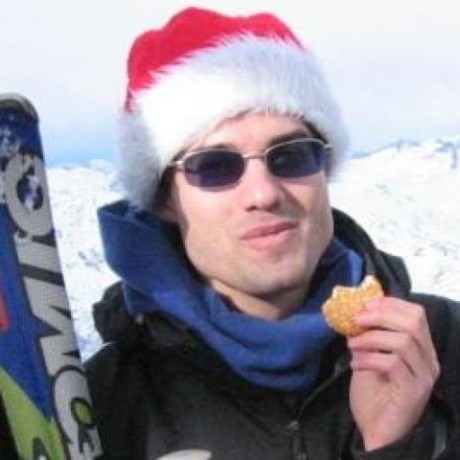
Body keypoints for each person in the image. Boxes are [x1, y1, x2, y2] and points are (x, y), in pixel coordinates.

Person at [88, 6, 460, 460]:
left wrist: (397, 447)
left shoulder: (445, 346)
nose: (263, 193)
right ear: (166, 200)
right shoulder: (103, 408)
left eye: (291, 155)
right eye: (214, 166)